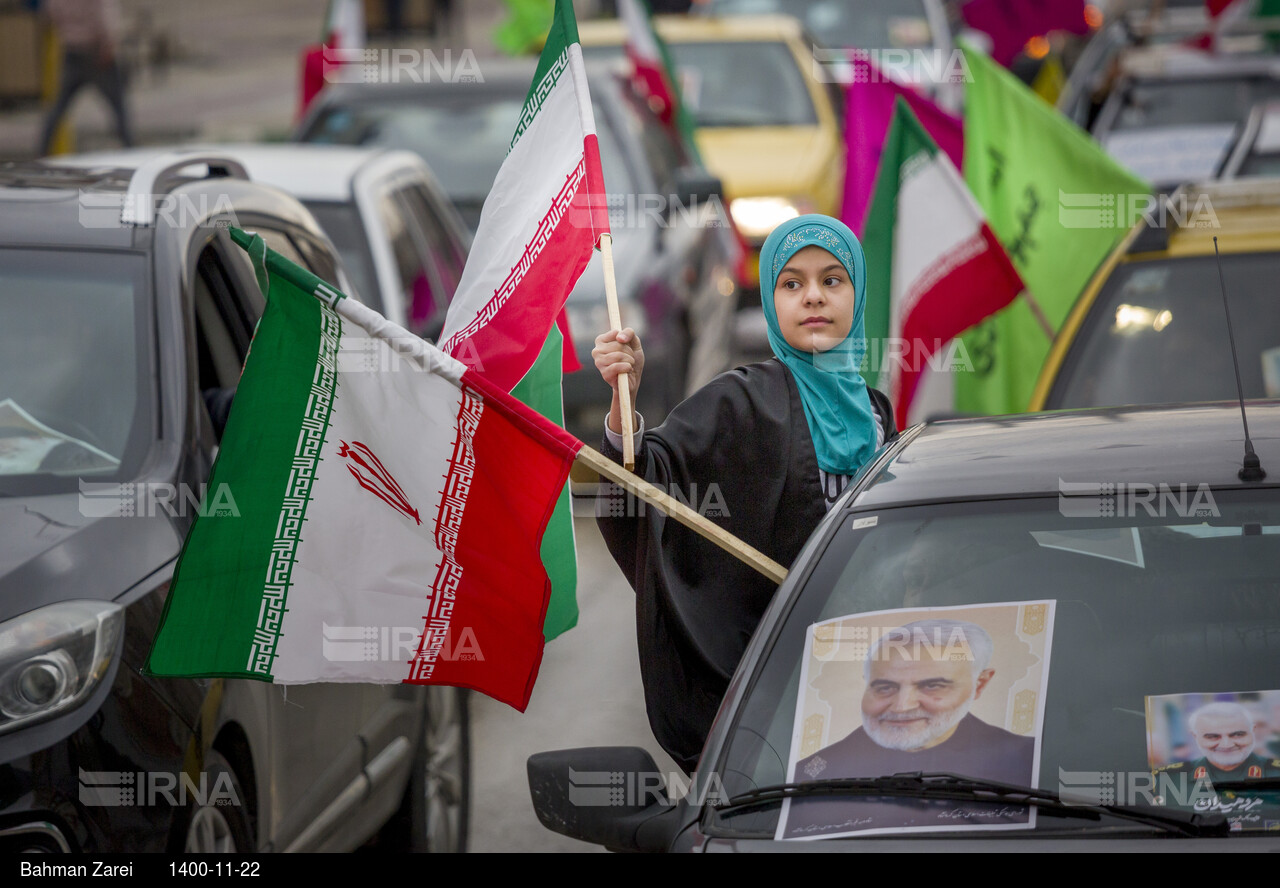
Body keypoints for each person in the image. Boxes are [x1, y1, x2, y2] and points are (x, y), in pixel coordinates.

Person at [593, 215, 898, 772]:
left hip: (876, 683)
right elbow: (648, 483)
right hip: (776, 695)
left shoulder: (877, 413)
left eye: (832, 280)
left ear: (858, 291)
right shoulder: (740, 403)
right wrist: (624, 401)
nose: (813, 297)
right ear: (770, 299)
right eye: (791, 282)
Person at [782, 618, 1036, 837]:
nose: (902, 707)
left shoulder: (1028, 762)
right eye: (884, 687)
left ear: (979, 684)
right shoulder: (813, 773)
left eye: (932, 686)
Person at [38, 0, 135, 157]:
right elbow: (105, 15)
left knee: (59, 106)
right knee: (118, 106)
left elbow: (49, 14)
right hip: (97, 50)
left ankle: (42, 151)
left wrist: (68, 31)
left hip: (72, 49)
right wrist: (109, 44)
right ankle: (130, 150)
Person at [1156, 702, 1280, 786]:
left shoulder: (1276, 772)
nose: (1226, 745)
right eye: (1213, 737)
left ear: (1252, 732)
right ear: (1195, 737)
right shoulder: (1170, 779)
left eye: (1237, 735)